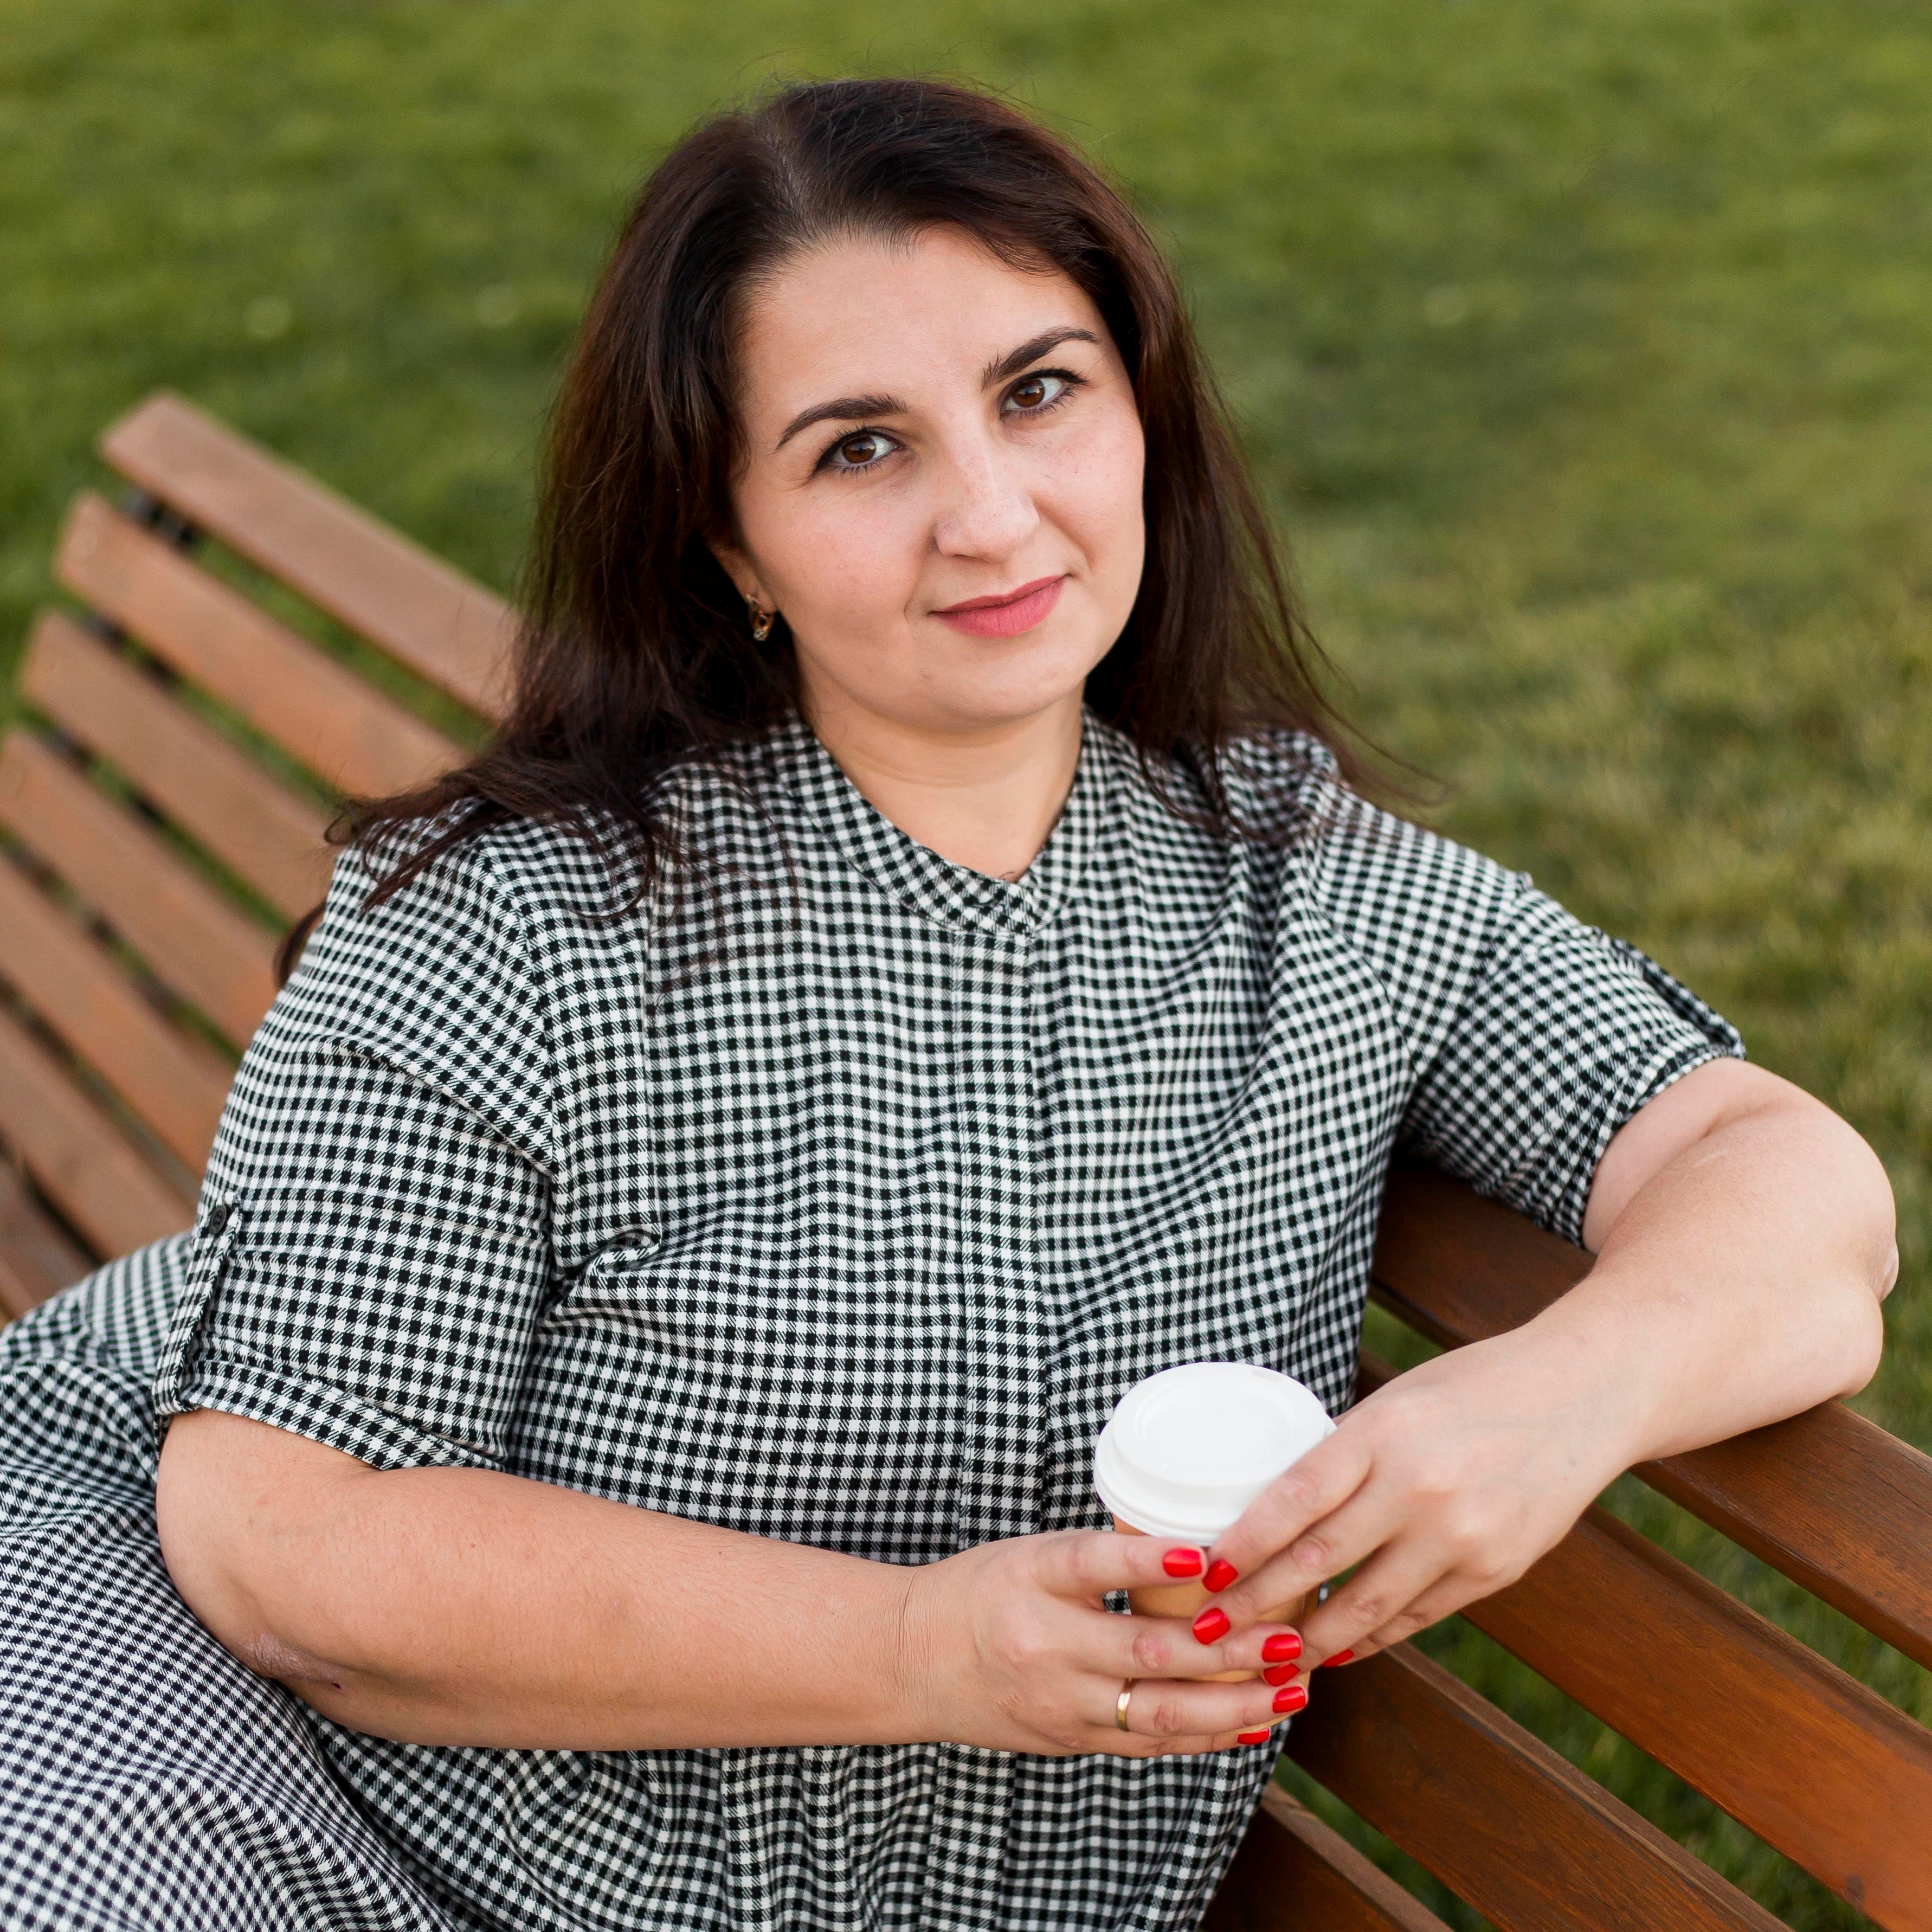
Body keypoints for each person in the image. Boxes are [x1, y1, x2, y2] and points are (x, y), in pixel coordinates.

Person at [0, 75, 1896, 1932]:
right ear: (727, 542)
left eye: (1038, 392)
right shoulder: (519, 930)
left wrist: (1562, 1394)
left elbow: (1796, 1203)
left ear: (1139, 412)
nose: (993, 518)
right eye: (858, 447)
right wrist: (915, 1647)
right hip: (277, 1778)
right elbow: (287, 1543)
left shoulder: (1308, 894)